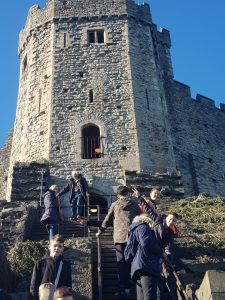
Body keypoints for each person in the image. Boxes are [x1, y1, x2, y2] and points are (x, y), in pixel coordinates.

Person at [96, 185, 141, 297]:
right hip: (133, 237)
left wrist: (100, 232)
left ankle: (122, 288)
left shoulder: (115, 205)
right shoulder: (134, 203)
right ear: (127, 193)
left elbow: (107, 220)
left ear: (117, 194)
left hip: (119, 237)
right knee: (132, 262)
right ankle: (133, 287)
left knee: (121, 263)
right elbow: (141, 218)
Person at [124, 213, 168, 300]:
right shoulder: (143, 226)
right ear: (147, 219)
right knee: (150, 296)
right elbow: (146, 243)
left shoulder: (134, 229)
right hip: (147, 265)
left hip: (138, 267)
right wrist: (161, 252)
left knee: (141, 297)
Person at [30, 234, 72, 300]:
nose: (57, 248)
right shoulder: (40, 264)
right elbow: (33, 287)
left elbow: (68, 287)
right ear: (49, 247)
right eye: (55, 245)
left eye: (60, 246)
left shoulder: (66, 265)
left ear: (62, 249)